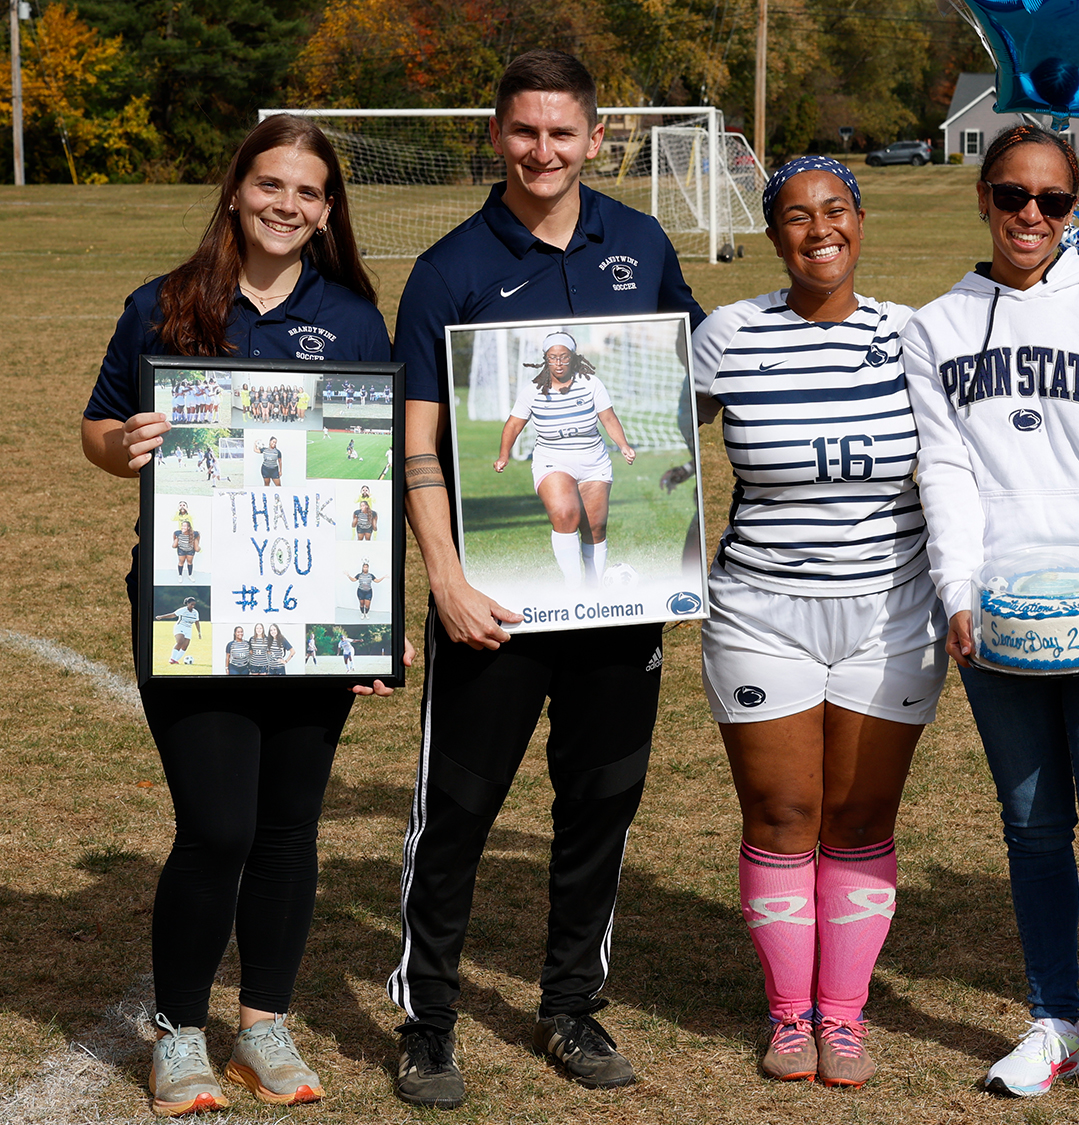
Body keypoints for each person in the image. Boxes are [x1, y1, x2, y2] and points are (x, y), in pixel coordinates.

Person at [384, 47, 704, 1110]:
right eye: (524, 131)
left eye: (562, 133)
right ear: (495, 135)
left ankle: (570, 1005)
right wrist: (445, 579)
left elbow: (685, 383)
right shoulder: (448, 270)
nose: (542, 151)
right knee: (459, 813)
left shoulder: (643, 243)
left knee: (598, 805)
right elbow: (417, 443)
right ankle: (427, 1022)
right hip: (495, 606)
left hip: (621, 606)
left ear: (596, 139)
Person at [79, 113, 407, 1118]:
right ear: (237, 190)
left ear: (327, 209)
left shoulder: (351, 315)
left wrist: (372, 625)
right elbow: (97, 426)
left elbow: (378, 470)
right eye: (272, 185)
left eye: (309, 193)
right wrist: (119, 445)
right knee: (217, 826)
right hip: (197, 609)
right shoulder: (163, 305)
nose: (288, 205)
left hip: (316, 607)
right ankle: (179, 1034)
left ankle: (262, 1025)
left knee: (287, 832)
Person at [902, 124, 1079, 1125]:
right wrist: (956, 592)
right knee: (1030, 826)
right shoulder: (936, 325)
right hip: (998, 619)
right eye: (1012, 196)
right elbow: (943, 472)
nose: (1030, 215)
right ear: (981, 198)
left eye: (1051, 201)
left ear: (1074, 210)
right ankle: (1054, 1024)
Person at [692, 156, 942, 1088]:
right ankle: (790, 1018)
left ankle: (844, 1018)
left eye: (834, 210)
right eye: (795, 216)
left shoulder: (912, 336)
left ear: (861, 222)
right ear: (773, 234)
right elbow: (644, 436)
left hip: (893, 614)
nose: (817, 229)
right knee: (785, 812)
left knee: (862, 813)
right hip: (761, 613)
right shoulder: (728, 335)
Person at [493, 330, 636, 588]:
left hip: (594, 461)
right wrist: (504, 455)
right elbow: (513, 425)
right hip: (553, 460)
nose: (558, 363)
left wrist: (623, 445)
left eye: (563, 357)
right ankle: (573, 586)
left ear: (573, 358)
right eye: (552, 358)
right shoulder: (533, 390)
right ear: (545, 360)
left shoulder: (592, 383)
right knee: (565, 513)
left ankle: (593, 589)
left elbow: (608, 418)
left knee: (595, 527)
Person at [158, 597, 202, 666]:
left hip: (188, 629)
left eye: (194, 605)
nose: (193, 606)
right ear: (187, 604)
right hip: (180, 627)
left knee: (185, 646)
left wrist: (199, 632)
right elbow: (173, 615)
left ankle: (175, 660)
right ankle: (172, 659)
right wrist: (161, 617)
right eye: (191, 604)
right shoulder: (183, 610)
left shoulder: (195, 612)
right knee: (180, 642)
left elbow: (197, 622)